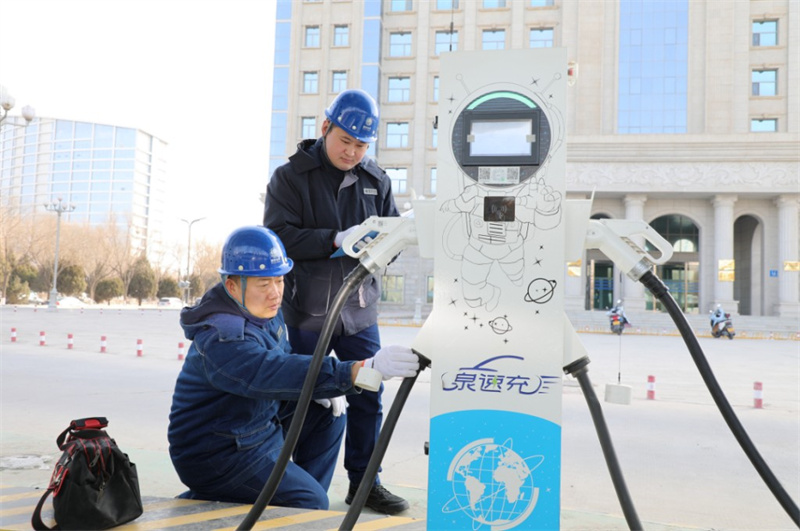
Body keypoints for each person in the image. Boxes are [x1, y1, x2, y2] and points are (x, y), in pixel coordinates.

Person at [167, 226, 418, 509]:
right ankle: (288, 500)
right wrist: (357, 370)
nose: (275, 293)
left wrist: (318, 387)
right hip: (217, 454)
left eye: (279, 280)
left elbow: (285, 358)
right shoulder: (222, 337)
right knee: (310, 500)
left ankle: (294, 501)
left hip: (253, 425)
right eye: (264, 284)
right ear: (232, 286)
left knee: (327, 413)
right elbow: (270, 371)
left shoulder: (264, 312)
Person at [262, 88, 407, 514]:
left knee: (368, 393)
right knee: (302, 396)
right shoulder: (291, 177)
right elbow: (278, 237)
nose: (352, 152)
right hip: (307, 312)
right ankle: (292, 482)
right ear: (325, 127)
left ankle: (365, 483)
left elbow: (396, 238)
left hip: (359, 311)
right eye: (345, 141)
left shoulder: (376, 180)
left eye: (361, 145)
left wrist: (382, 247)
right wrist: (335, 240)